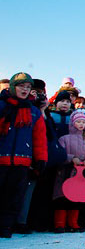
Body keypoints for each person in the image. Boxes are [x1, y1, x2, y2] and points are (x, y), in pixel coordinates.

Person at [0, 73, 47, 238]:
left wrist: (41, 158)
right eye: (22, 86)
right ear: (13, 87)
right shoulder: (1, 106)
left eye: (28, 87)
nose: (25, 90)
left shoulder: (33, 111)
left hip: (22, 161)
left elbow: (39, 138)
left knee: (14, 196)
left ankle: (6, 227)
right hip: (2, 158)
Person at [53, 111, 85, 233]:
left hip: (81, 174)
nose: (81, 124)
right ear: (73, 123)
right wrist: (71, 158)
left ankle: (73, 222)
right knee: (62, 197)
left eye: (83, 122)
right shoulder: (64, 139)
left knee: (76, 198)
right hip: (65, 172)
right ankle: (60, 223)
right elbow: (60, 154)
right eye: (78, 121)